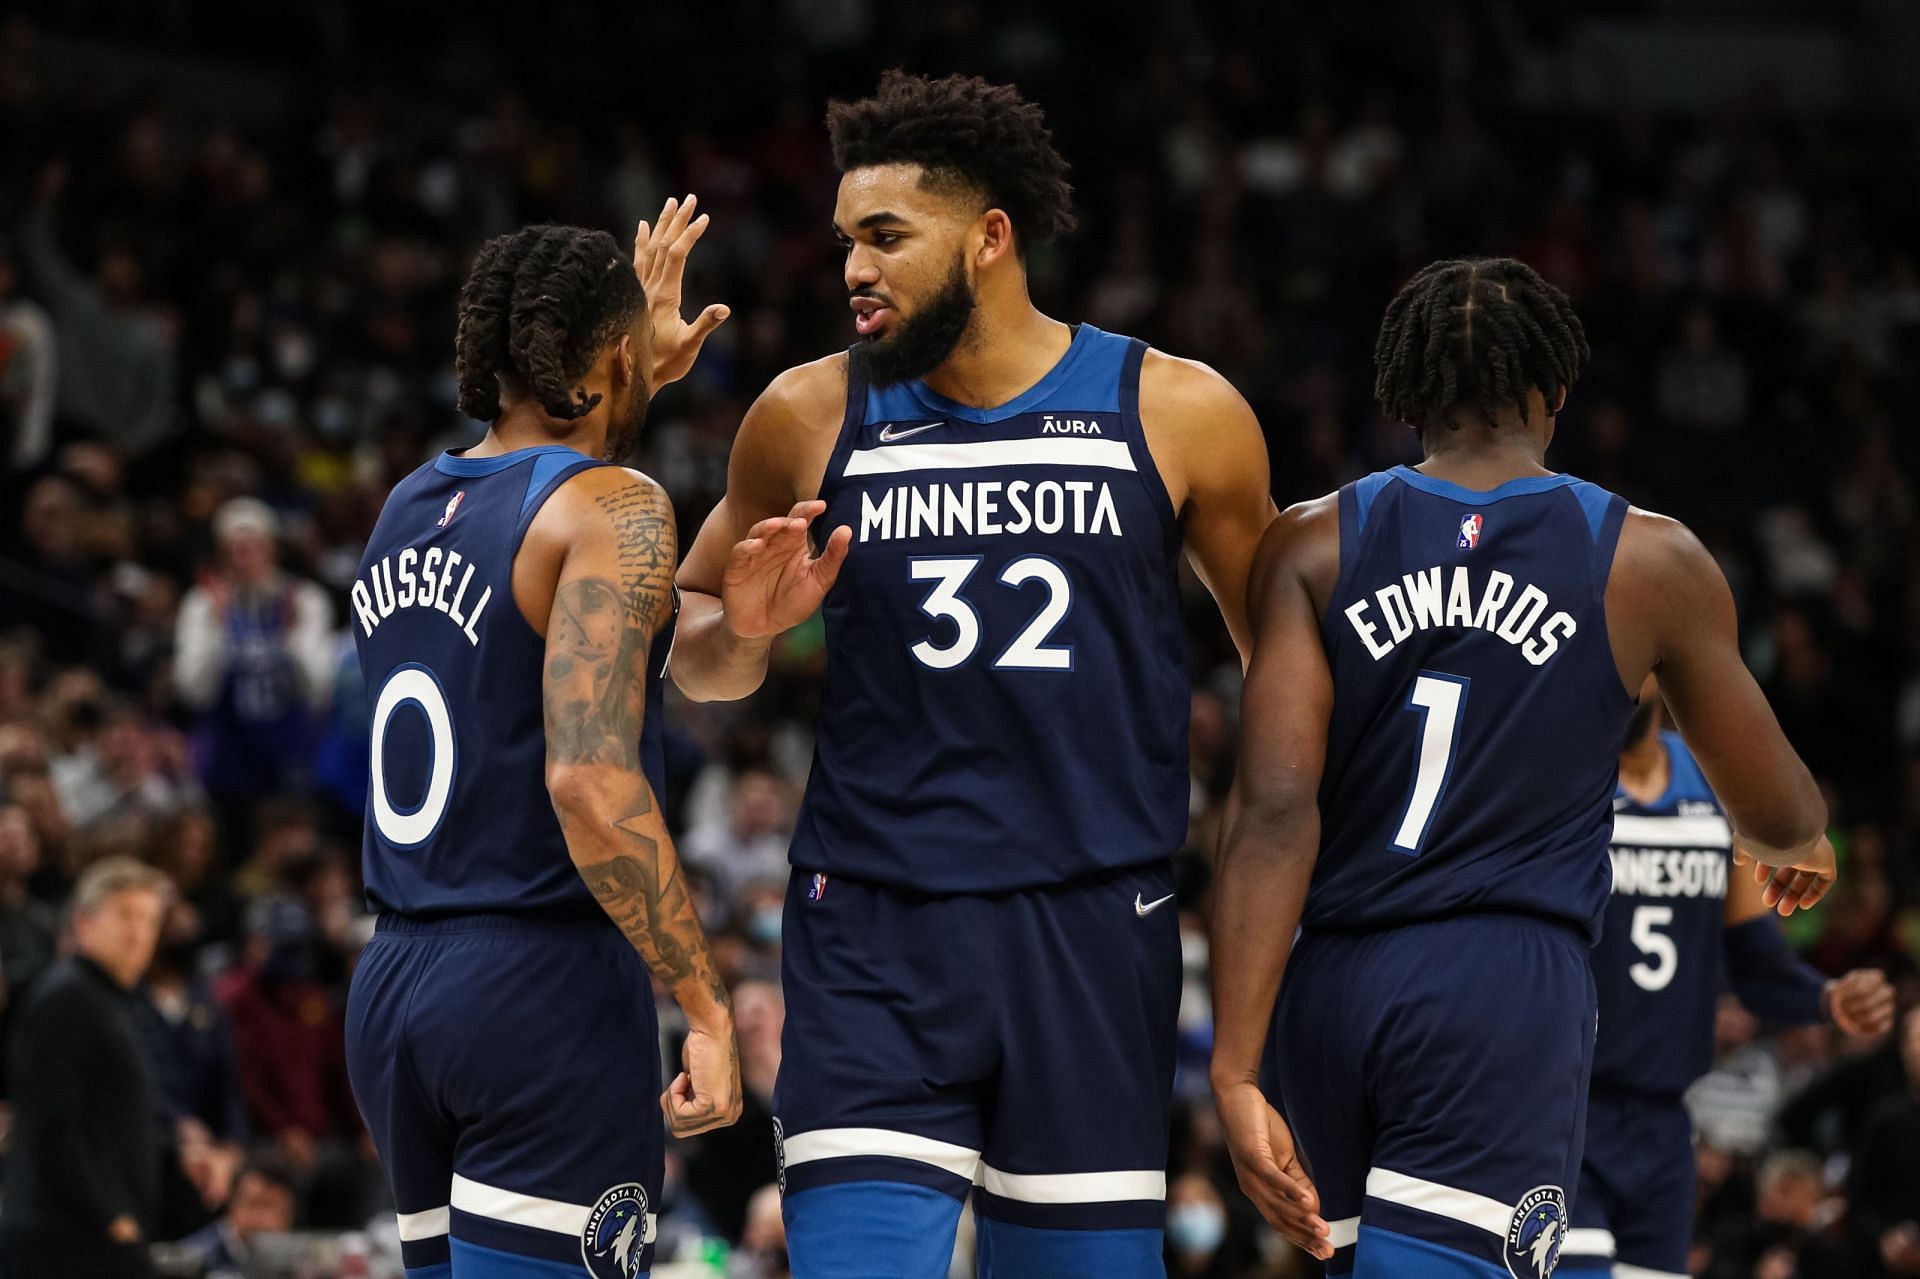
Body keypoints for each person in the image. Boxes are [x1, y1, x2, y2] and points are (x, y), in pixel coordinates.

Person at [672, 71, 1276, 1276]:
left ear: (991, 237)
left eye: (887, 237)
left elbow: (1291, 666)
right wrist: (742, 626)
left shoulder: (1176, 409)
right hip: (874, 925)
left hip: (1096, 924)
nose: (854, 266)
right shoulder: (804, 414)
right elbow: (701, 661)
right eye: (846, 239)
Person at [1210, 257, 1839, 1277]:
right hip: (1497, 989)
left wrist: (1235, 1067)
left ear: (1408, 394)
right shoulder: (1649, 560)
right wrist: (1797, 840)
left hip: (1327, 987)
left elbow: (1272, 811)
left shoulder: (1311, 545)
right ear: (1554, 390)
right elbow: (1776, 805)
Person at [343, 208, 741, 1279]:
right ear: (619, 353)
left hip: (397, 983)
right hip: (541, 985)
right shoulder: (616, 506)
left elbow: (542, 512)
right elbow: (589, 779)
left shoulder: (405, 506)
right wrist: (703, 1003)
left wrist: (624, 374)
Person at [1560, 679, 1895, 1279]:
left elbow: (1752, 956)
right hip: (1566, 1111)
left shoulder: (1711, 785)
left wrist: (1826, 998)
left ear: (1659, 666)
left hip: (1665, 1122)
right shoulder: (1562, 778)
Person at [0, 855, 170, 1278]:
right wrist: (113, 1217)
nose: (138, 933)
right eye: (125, 915)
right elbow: (51, 1125)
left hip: (88, 1234)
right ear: (83, 922)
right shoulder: (68, 998)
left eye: (149, 920)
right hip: (66, 1240)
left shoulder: (108, 1000)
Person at [172, 1154, 299, 1278]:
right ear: (232, 1203)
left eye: (275, 1209)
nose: (265, 1220)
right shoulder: (188, 1260)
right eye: (255, 1205)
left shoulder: (301, 1265)